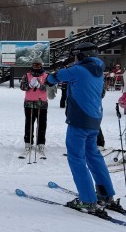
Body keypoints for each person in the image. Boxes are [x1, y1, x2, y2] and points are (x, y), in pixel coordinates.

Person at [46, 42, 120, 214]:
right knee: (93, 156)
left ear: (82, 55)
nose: (74, 59)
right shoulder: (99, 69)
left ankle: (87, 199)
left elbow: (55, 76)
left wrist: (48, 81)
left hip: (79, 119)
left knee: (76, 158)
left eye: (76, 55)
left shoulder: (78, 70)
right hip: (94, 119)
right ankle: (106, 194)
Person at [19, 57, 50, 159]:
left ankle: (41, 143)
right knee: (29, 124)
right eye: (34, 65)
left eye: (38, 65)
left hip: (42, 104)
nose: (36, 66)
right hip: (29, 104)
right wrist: (29, 85)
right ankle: (28, 143)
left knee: (42, 124)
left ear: (41, 65)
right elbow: (22, 87)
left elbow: (49, 87)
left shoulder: (46, 75)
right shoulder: (27, 75)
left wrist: (40, 86)